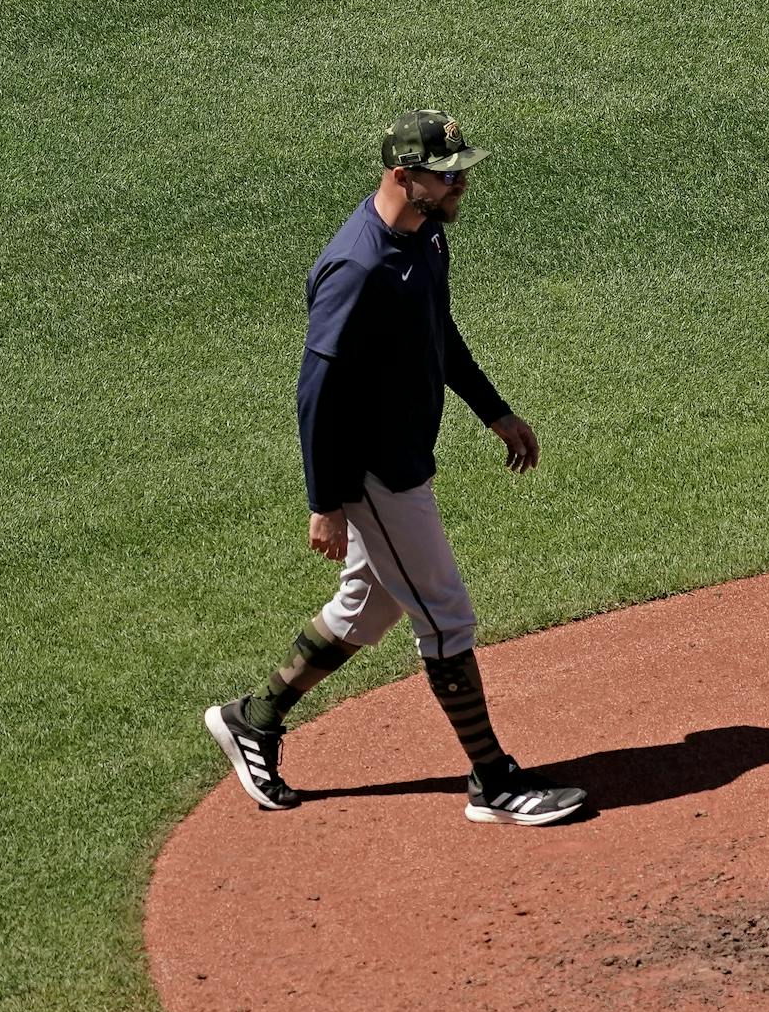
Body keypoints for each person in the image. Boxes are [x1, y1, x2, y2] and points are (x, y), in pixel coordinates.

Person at [204, 109, 588, 827]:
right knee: (445, 618)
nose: (459, 188)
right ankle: (494, 783)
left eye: (460, 174)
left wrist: (494, 411)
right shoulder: (358, 267)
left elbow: (437, 330)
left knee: (368, 605)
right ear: (402, 175)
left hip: (408, 453)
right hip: (376, 472)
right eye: (446, 177)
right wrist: (325, 502)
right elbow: (315, 394)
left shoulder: (425, 235)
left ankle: (252, 720)